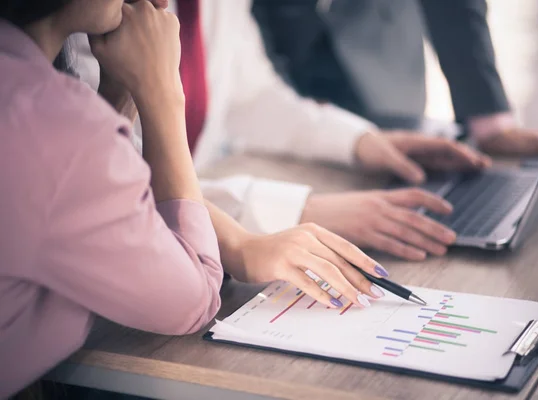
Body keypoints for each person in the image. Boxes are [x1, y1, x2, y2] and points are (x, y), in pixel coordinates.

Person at [0, 1, 387, 397]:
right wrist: (159, 92)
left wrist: (119, 89)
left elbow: (95, 187)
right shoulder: (56, 122)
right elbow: (193, 299)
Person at [74, 0, 492, 261]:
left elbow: (251, 95)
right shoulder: (86, 15)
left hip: (194, 246)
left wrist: (362, 142)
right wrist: (298, 210)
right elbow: (114, 176)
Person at [252, 0, 538, 156]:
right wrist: (312, 101)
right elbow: (284, 11)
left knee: (395, 141)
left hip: (377, 27)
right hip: (289, 33)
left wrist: (488, 118)